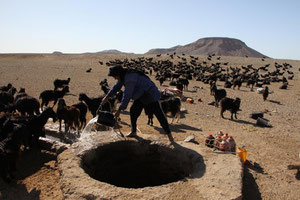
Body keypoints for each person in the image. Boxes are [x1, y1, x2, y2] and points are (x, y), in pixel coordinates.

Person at [100, 65, 174, 143]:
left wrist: (119, 110)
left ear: (119, 74)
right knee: (133, 111)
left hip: (150, 94)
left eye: (115, 76)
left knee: (159, 114)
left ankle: (170, 136)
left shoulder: (130, 78)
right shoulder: (123, 76)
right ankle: (134, 131)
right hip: (140, 95)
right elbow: (116, 87)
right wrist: (107, 97)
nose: (115, 78)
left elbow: (127, 94)